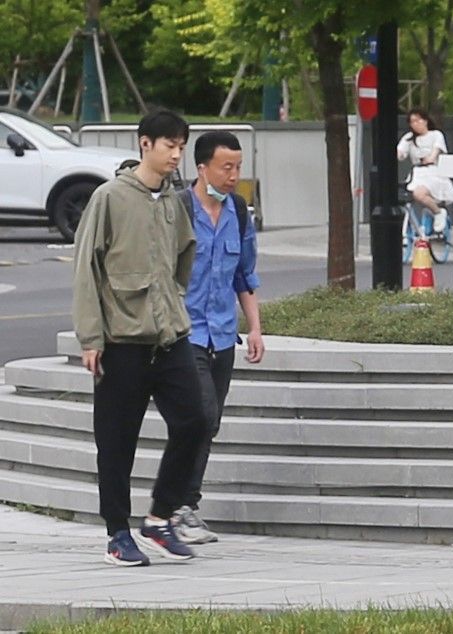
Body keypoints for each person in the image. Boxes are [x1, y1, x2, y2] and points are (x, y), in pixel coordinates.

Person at [72, 110, 203, 567]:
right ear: (144, 144)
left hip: (170, 337)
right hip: (121, 342)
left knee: (195, 421)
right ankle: (116, 533)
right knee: (116, 441)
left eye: (181, 146)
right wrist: (91, 337)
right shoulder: (109, 197)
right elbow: (85, 268)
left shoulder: (174, 200)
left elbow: (186, 252)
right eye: (169, 145)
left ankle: (160, 517)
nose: (176, 154)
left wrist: (174, 298)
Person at [173, 131, 264, 545]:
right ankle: (177, 507)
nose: (234, 175)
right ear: (202, 167)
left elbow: (244, 274)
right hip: (184, 334)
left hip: (224, 336)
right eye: (226, 167)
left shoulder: (239, 212)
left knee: (209, 424)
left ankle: (184, 505)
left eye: (239, 167)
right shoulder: (177, 210)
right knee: (200, 416)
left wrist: (255, 328)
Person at [396, 108, 453, 234]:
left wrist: (430, 158)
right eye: (412, 121)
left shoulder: (436, 135)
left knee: (419, 194)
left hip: (433, 173)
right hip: (417, 174)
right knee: (406, 197)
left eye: (418, 120)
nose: (415, 124)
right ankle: (412, 228)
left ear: (425, 120)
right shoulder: (409, 138)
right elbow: (400, 153)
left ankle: (438, 212)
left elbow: (436, 151)